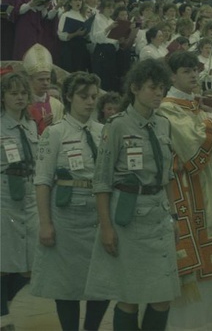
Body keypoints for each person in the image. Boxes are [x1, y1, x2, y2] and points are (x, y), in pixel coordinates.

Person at [84, 59, 180, 331]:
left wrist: (174, 216)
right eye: (152, 88)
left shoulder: (163, 124)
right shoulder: (117, 126)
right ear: (135, 88)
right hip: (129, 219)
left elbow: (167, 177)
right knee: (130, 297)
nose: (159, 93)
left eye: (162, 88)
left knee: (163, 297)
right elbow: (101, 182)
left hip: (159, 215)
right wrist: (106, 228)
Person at [158, 52, 212, 330]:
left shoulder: (193, 105)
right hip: (184, 191)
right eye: (186, 70)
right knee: (190, 272)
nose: (194, 75)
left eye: (195, 70)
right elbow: (195, 148)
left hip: (208, 190)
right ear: (171, 76)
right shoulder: (167, 108)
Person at [31, 72, 110, 330]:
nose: (89, 102)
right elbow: (42, 180)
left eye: (94, 97)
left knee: (102, 278)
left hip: (99, 215)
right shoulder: (55, 133)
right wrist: (45, 223)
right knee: (66, 282)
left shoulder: (104, 132)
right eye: (83, 96)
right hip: (67, 218)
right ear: (68, 97)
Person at [0, 73, 39, 329]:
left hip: (30, 197)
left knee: (29, 266)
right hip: (4, 196)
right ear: (3, 96)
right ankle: (2, 317)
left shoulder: (31, 125)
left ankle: (2, 306)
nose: (19, 97)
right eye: (13, 93)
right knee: (4, 263)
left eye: (23, 93)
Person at [23, 44, 64, 136]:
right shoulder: (23, 103)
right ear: (30, 80)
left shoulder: (57, 105)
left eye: (48, 79)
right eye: (41, 79)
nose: (45, 83)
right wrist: (40, 125)